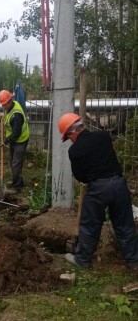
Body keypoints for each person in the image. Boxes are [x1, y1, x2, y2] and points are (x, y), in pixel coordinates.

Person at [58, 112, 138, 270]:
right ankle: (134, 261)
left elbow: (81, 177)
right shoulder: (103, 136)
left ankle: (82, 260)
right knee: (125, 224)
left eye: (69, 137)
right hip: (119, 184)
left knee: (90, 224)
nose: (70, 140)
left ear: (73, 132)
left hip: (98, 190)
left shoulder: (74, 151)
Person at [0, 90, 30, 193]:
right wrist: (4, 115)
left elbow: (16, 133)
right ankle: (18, 181)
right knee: (13, 162)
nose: (3, 107)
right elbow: (8, 116)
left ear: (9, 101)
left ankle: (17, 187)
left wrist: (6, 141)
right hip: (14, 140)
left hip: (20, 140)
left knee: (16, 163)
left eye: (4, 104)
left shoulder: (16, 116)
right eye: (2, 105)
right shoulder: (11, 106)